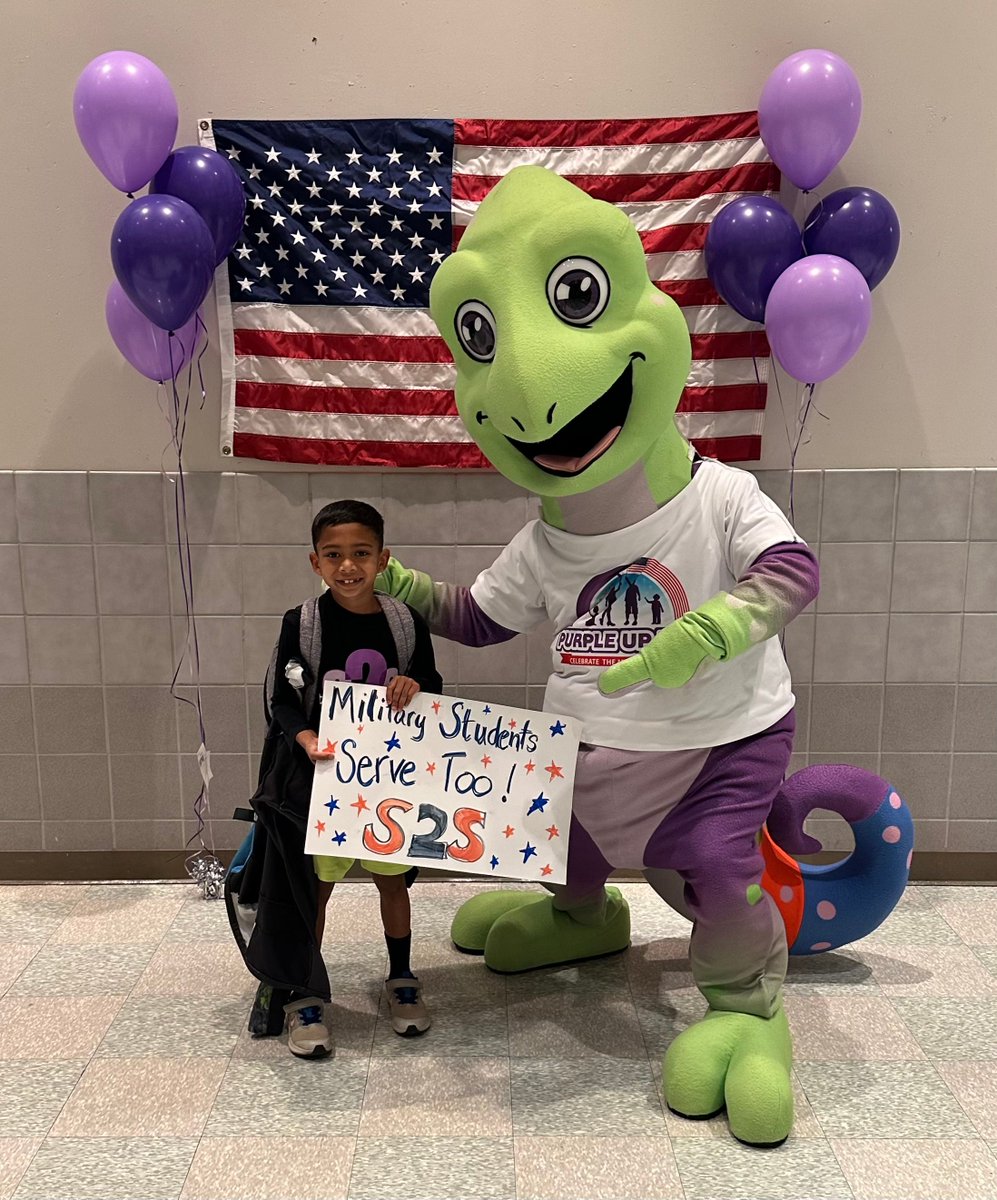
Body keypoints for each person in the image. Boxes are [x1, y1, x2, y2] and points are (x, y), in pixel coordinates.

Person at [248, 499, 442, 1059]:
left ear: (383, 559)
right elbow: (283, 701)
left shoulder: (405, 622)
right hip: (323, 786)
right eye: (334, 555)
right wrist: (304, 738)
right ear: (315, 562)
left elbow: (430, 678)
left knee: (392, 879)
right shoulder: (302, 624)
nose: (348, 566)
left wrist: (415, 686)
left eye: (361, 554)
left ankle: (402, 977)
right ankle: (307, 991)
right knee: (317, 887)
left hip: (387, 785)